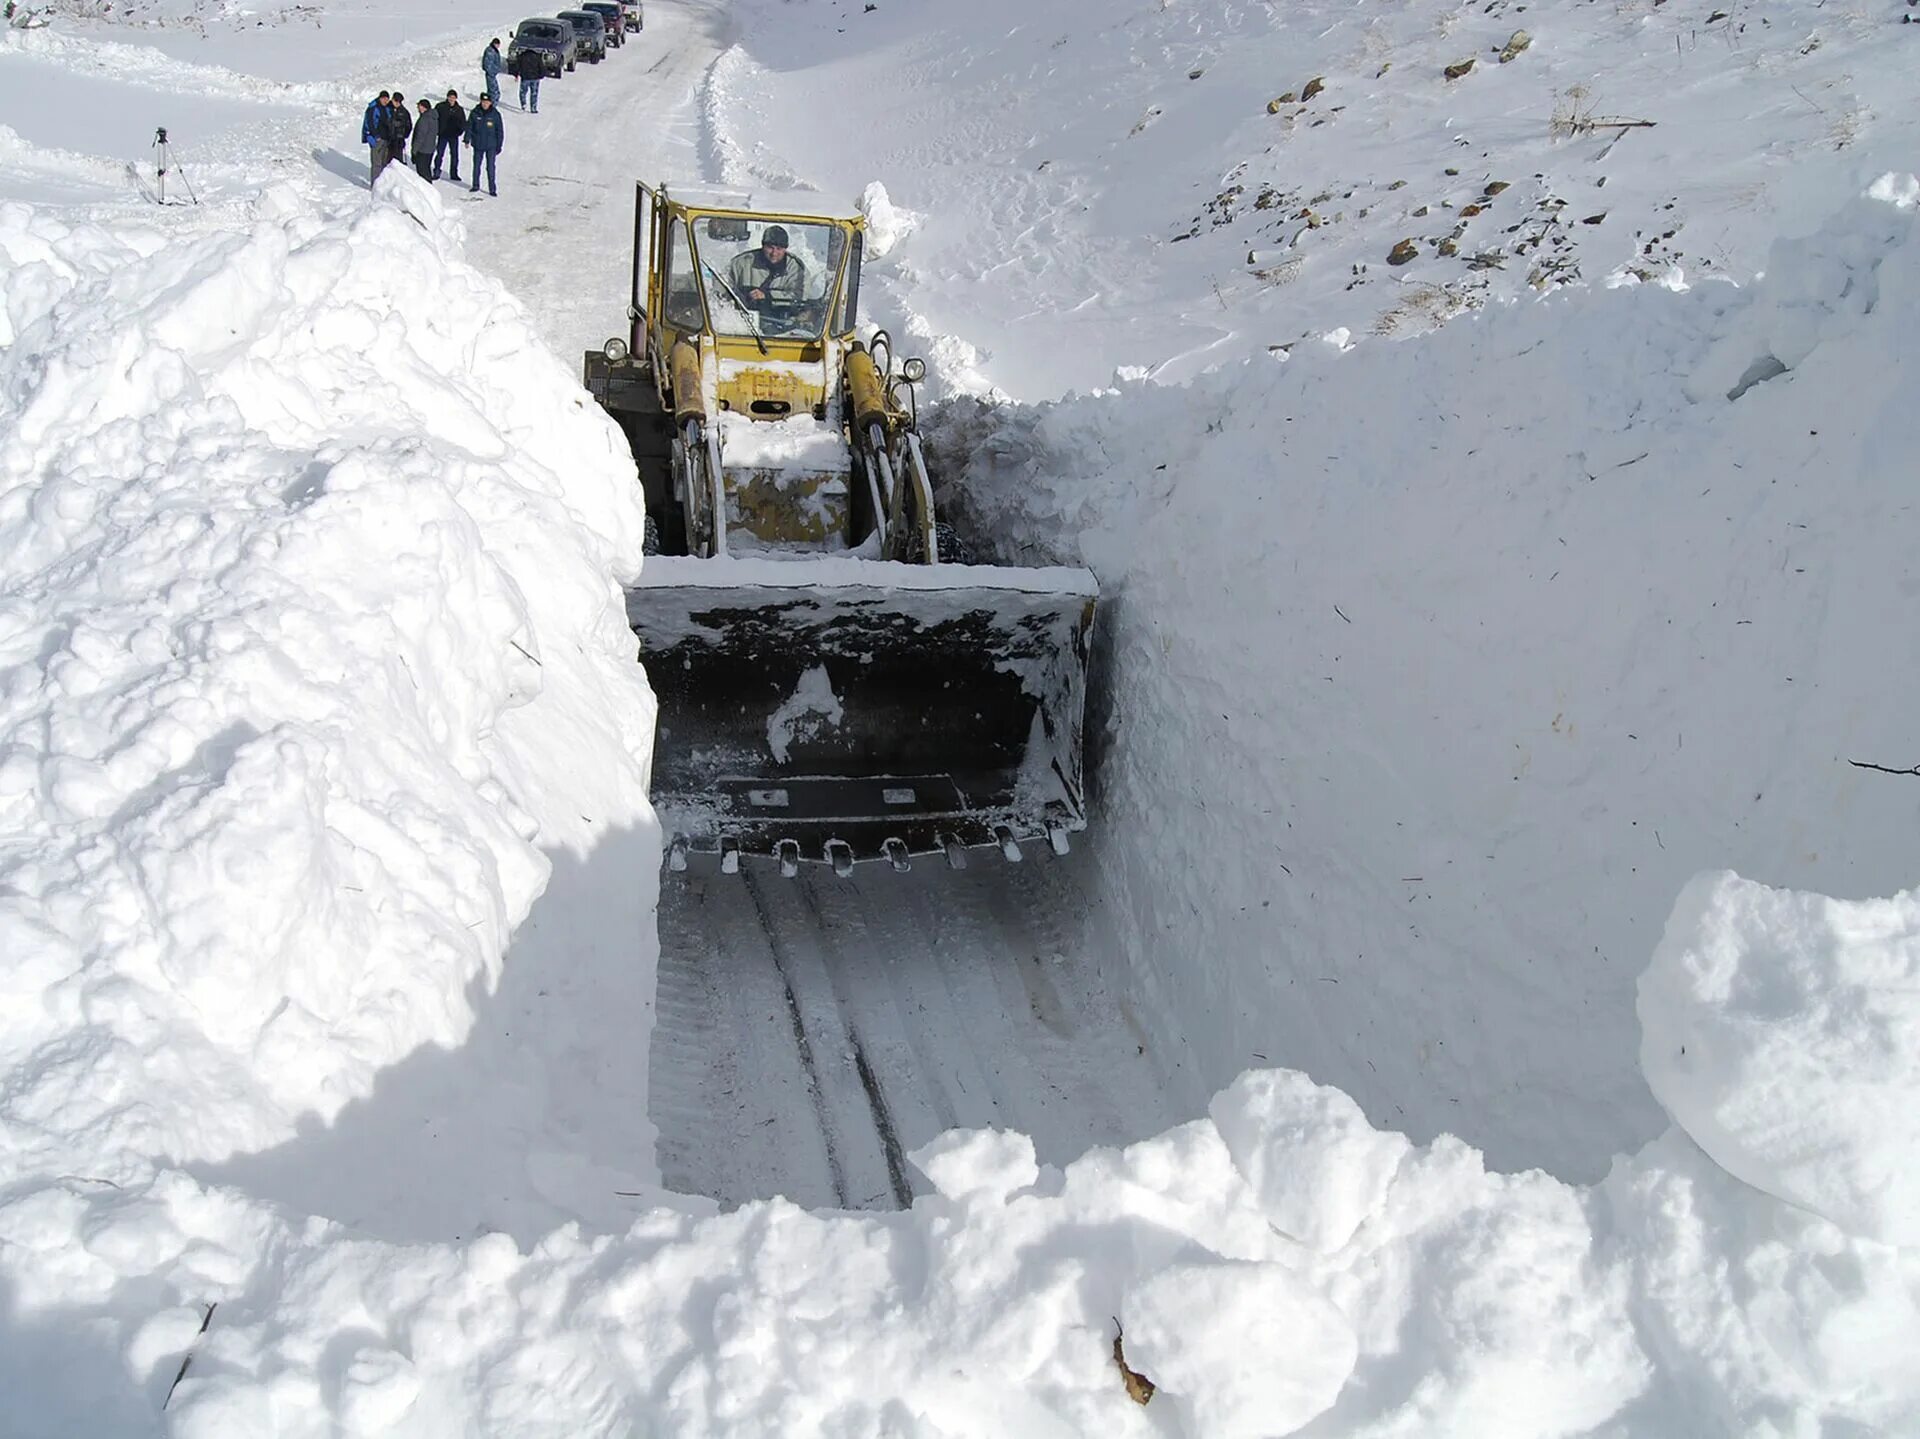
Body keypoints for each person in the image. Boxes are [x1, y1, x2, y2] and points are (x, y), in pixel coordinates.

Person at [727, 225, 809, 311]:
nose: (774, 253)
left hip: (781, 319)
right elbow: (722, 290)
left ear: (785, 249)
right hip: (742, 318)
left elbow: (800, 297)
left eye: (779, 249)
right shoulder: (741, 264)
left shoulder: (796, 270)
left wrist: (768, 296)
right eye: (770, 248)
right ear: (762, 245)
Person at [466, 93, 504, 196]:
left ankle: (492, 189)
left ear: (490, 103)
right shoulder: (475, 112)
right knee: (476, 166)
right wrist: (467, 139)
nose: (485, 104)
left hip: (491, 146)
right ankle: (475, 185)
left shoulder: (495, 114)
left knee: (490, 167)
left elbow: (499, 131)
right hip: (478, 144)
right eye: (483, 102)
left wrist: (499, 145)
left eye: (487, 102)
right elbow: (469, 126)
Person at [362, 89, 394, 185]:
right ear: (380, 98)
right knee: (377, 163)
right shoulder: (373, 108)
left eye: (387, 99)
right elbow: (370, 123)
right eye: (383, 99)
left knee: (384, 162)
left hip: (385, 139)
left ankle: (382, 184)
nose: (385, 101)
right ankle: (375, 185)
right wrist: (374, 136)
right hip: (376, 139)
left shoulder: (387, 108)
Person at [433, 89, 466, 182]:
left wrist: (460, 131)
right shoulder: (440, 107)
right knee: (440, 154)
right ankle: (436, 171)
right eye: (450, 97)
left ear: (456, 98)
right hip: (443, 134)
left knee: (455, 155)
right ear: (447, 97)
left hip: (454, 136)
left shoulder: (459, 109)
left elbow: (463, 122)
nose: (452, 99)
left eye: (453, 97)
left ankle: (454, 173)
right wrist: (437, 130)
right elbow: (435, 119)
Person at [510, 43, 544, 113]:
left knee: (523, 92)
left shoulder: (522, 56)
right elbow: (541, 67)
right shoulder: (537, 57)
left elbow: (517, 66)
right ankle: (533, 108)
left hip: (525, 77)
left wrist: (516, 74)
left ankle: (523, 104)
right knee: (534, 93)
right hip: (535, 78)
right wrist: (541, 75)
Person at [409, 98, 438, 180]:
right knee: (427, 170)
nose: (418, 108)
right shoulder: (433, 117)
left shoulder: (424, 119)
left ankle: (426, 190)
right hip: (430, 148)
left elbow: (420, 137)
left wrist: (414, 151)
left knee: (422, 173)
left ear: (423, 107)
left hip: (423, 150)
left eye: (419, 106)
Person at [388, 90, 412, 161]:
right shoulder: (387, 108)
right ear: (392, 99)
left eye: (399, 101)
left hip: (398, 141)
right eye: (395, 100)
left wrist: (404, 135)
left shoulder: (404, 112)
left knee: (397, 161)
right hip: (387, 140)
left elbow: (408, 125)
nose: (397, 103)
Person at [481, 38, 504, 104]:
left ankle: (490, 104)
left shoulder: (494, 50)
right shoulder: (490, 51)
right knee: (494, 92)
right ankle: (492, 105)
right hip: (491, 74)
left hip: (493, 74)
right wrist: (492, 73)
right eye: (497, 44)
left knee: (494, 91)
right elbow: (488, 65)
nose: (498, 46)